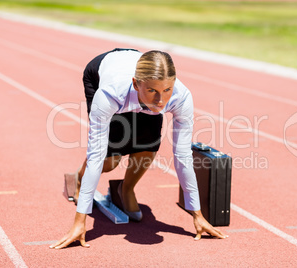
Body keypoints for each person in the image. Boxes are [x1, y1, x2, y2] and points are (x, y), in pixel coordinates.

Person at [50, 48, 227, 249]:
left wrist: (197, 215)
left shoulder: (181, 97)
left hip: (138, 88)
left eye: (167, 90)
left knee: (147, 145)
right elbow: (96, 155)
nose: (161, 101)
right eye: (153, 91)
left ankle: (126, 189)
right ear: (136, 84)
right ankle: (78, 178)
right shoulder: (109, 95)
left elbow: (183, 156)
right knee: (108, 161)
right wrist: (79, 221)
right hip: (104, 76)